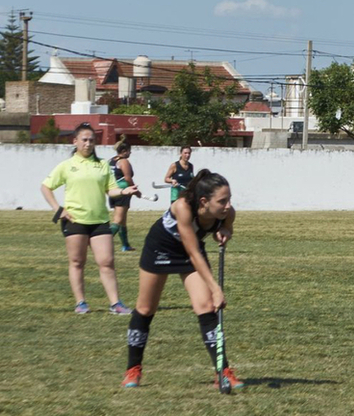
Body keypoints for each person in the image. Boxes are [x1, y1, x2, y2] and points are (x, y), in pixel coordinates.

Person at [121, 169, 243, 390]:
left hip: (191, 250)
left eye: (229, 199)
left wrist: (224, 233)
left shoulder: (228, 212)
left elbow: (226, 229)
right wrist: (215, 288)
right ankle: (133, 369)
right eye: (222, 201)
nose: (228, 205)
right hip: (162, 247)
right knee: (146, 307)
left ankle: (222, 370)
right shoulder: (183, 207)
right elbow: (194, 253)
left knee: (205, 306)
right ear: (204, 201)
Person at [40, 122, 137, 315]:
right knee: (77, 262)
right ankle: (81, 303)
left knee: (107, 262)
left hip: (99, 220)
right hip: (75, 221)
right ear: (75, 141)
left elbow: (110, 189)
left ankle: (116, 304)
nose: (88, 143)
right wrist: (58, 210)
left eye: (91, 140)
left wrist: (124, 190)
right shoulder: (67, 166)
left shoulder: (102, 164)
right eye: (84, 140)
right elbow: (46, 187)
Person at [109, 136, 141, 252]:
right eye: (129, 151)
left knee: (122, 220)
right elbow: (128, 178)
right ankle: (103, 242)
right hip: (123, 192)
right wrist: (135, 190)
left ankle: (125, 245)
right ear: (124, 151)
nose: (130, 153)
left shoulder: (111, 160)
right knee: (118, 220)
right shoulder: (124, 161)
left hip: (113, 192)